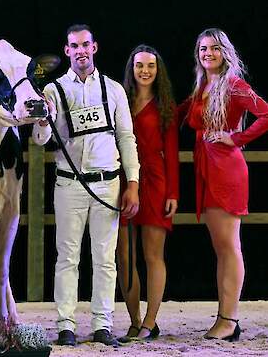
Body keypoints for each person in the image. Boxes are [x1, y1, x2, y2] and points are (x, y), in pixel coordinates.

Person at [32, 24, 140, 347]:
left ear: (95, 47)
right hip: (70, 184)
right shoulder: (53, 91)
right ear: (67, 51)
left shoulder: (113, 90)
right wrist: (41, 121)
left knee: (105, 258)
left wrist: (132, 182)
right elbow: (41, 140)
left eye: (85, 45)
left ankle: (102, 324)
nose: (80, 51)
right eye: (74, 46)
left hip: (107, 184)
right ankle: (66, 324)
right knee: (67, 256)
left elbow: (126, 138)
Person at [180, 28, 268, 341]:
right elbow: (183, 114)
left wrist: (236, 138)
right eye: (203, 49)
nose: (208, 54)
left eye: (215, 49)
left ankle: (229, 320)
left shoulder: (233, 84)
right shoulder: (204, 84)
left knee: (229, 246)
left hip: (226, 168)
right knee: (221, 247)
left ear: (225, 52)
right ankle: (225, 316)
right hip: (207, 166)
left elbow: (265, 114)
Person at [115, 45, 179, 342]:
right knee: (124, 257)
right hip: (125, 181)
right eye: (139, 65)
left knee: (153, 255)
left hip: (156, 181)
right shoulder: (120, 100)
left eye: (151, 66)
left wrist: (173, 193)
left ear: (157, 70)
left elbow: (173, 153)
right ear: (132, 69)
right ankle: (134, 319)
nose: (145, 70)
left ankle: (151, 321)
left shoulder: (165, 104)